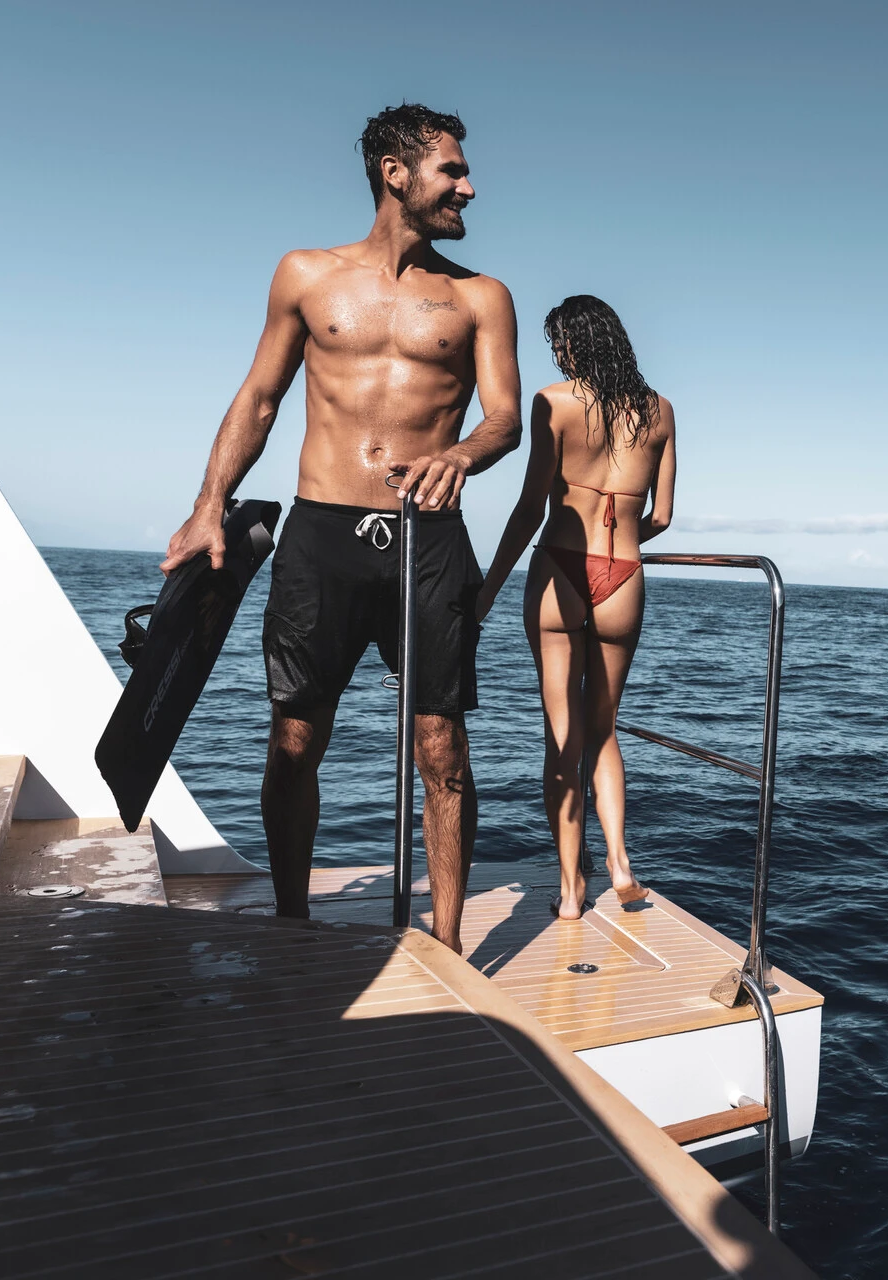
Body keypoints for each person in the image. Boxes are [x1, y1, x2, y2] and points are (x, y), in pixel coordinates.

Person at [161, 104, 522, 953]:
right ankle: (292, 927)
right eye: (451, 171)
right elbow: (259, 397)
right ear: (395, 173)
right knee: (294, 738)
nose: (469, 186)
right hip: (321, 533)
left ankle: (449, 942)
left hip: (428, 541)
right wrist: (210, 499)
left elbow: (504, 419)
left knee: (443, 750)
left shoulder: (481, 297)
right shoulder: (306, 274)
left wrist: (462, 455)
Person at [477, 296, 676, 920]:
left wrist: (486, 593)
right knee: (604, 730)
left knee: (561, 738)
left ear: (570, 345)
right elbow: (662, 516)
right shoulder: (660, 411)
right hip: (625, 572)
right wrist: (620, 548)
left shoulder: (552, 402)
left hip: (561, 566)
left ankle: (569, 891)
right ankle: (620, 863)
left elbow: (532, 506)